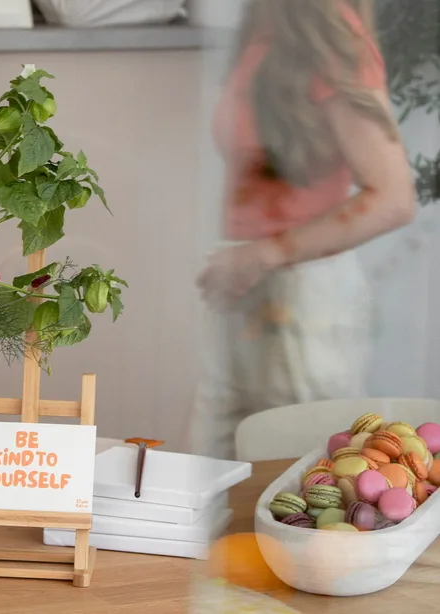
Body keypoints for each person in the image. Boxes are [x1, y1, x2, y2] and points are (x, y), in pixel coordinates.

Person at [191, 0, 415, 459]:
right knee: (213, 468)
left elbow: (393, 199)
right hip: (243, 282)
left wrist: (263, 254)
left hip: (301, 297)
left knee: (295, 479)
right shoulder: (264, 24)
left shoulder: (329, 36)